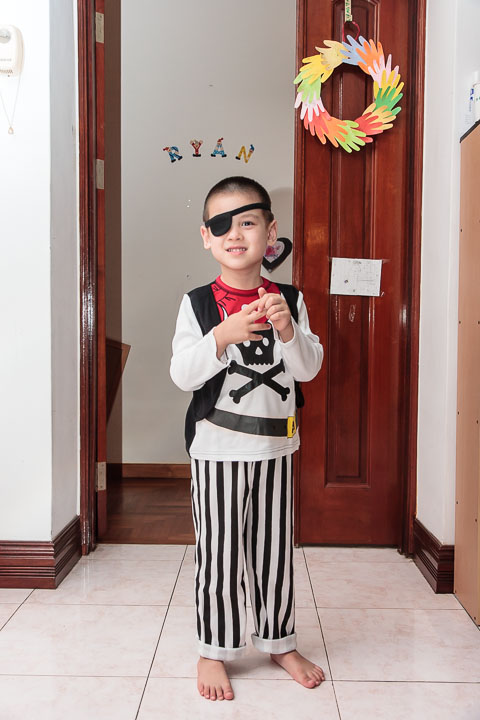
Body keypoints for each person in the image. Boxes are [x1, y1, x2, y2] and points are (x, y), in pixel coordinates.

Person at [170, 176, 324, 702]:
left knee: (274, 551)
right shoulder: (197, 304)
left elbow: (307, 368)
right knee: (219, 552)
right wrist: (221, 336)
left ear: (270, 232)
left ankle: (279, 641)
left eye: (248, 222)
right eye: (221, 225)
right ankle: (214, 648)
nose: (234, 234)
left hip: (277, 448)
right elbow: (182, 374)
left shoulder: (290, 300)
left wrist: (289, 332)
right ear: (206, 238)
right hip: (217, 449)